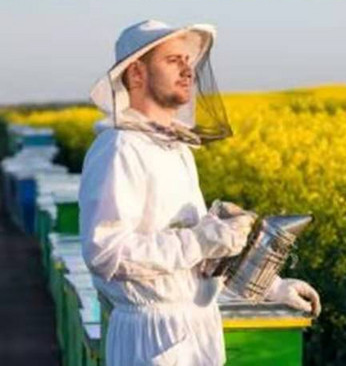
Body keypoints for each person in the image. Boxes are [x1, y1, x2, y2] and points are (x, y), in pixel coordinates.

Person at [78, 19, 321, 366]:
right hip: (152, 338)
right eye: (172, 60)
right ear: (136, 74)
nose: (187, 70)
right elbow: (105, 252)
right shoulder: (120, 148)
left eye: (188, 61)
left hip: (196, 329)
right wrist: (201, 239)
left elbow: (199, 261)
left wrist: (271, 286)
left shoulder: (175, 149)